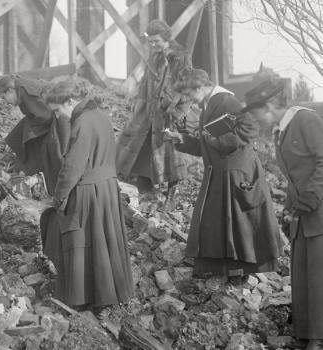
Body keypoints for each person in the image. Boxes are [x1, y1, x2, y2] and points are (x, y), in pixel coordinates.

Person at [167, 68, 282, 278]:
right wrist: (182, 141)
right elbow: (207, 145)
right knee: (225, 224)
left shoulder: (227, 101)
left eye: (189, 93)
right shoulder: (210, 105)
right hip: (221, 172)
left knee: (238, 225)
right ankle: (228, 271)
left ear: (200, 87)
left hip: (236, 173)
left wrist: (216, 141)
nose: (188, 99)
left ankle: (238, 273)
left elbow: (251, 129)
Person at [245, 78, 323, 350]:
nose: (256, 119)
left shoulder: (305, 120)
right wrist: (289, 210)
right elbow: (293, 178)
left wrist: (312, 196)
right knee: (302, 275)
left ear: (268, 106)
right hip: (303, 212)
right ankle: (305, 335)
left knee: (317, 275)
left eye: (255, 113)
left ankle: (316, 339)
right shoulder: (282, 130)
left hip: (318, 209)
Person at [42, 80, 133, 312]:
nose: (58, 116)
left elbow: (73, 166)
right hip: (106, 188)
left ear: (70, 101)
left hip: (89, 189)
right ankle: (108, 293)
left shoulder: (81, 123)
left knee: (80, 238)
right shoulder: (99, 115)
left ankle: (82, 297)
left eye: (57, 110)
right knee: (104, 241)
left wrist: (59, 197)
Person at [115, 19, 194, 210]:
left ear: (166, 38)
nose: (152, 45)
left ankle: (172, 194)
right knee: (141, 144)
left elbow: (187, 85)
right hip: (150, 111)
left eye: (156, 41)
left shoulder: (180, 57)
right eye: (150, 41)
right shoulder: (154, 57)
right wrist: (139, 103)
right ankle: (145, 186)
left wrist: (176, 110)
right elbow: (144, 82)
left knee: (171, 153)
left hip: (170, 112)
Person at [0, 74, 70, 194]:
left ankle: (38, 178)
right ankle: (22, 171)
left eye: (4, 98)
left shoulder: (26, 93)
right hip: (46, 119)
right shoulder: (21, 89)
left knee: (37, 146)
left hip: (55, 122)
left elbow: (45, 117)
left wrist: (28, 133)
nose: (6, 102)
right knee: (19, 135)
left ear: (10, 91)